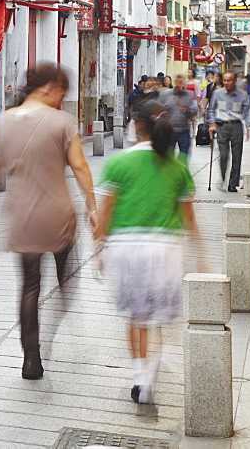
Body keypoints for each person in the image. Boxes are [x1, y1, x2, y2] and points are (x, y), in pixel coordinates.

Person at [0, 63, 98, 380]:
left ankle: (31, 358)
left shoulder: (1, 122)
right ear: (47, 88)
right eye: (61, 90)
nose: (62, 96)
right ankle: (57, 325)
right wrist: (93, 206)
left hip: (22, 214)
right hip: (58, 212)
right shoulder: (62, 122)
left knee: (29, 286)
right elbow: (80, 167)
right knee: (66, 280)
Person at [94, 100, 202, 404]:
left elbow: (105, 214)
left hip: (127, 250)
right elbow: (189, 219)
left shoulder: (119, 163)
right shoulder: (178, 167)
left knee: (137, 316)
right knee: (160, 319)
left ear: (137, 124)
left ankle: (140, 376)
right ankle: (153, 367)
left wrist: (100, 249)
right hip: (165, 250)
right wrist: (200, 257)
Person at [207, 71, 250, 192]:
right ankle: (223, 179)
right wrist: (212, 124)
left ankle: (233, 183)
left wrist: (248, 127)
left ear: (235, 81)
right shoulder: (217, 93)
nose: (226, 83)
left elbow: (247, 112)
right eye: (225, 80)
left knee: (237, 155)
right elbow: (211, 109)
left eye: (229, 80)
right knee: (223, 155)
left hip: (236, 126)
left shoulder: (242, 95)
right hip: (222, 126)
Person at [159, 74, 198, 157]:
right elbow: (159, 110)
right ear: (175, 82)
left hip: (184, 130)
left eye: (182, 82)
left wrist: (187, 111)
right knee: (169, 157)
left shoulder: (189, 95)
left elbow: (195, 110)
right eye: (179, 82)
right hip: (169, 130)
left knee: (184, 155)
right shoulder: (165, 94)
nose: (180, 85)